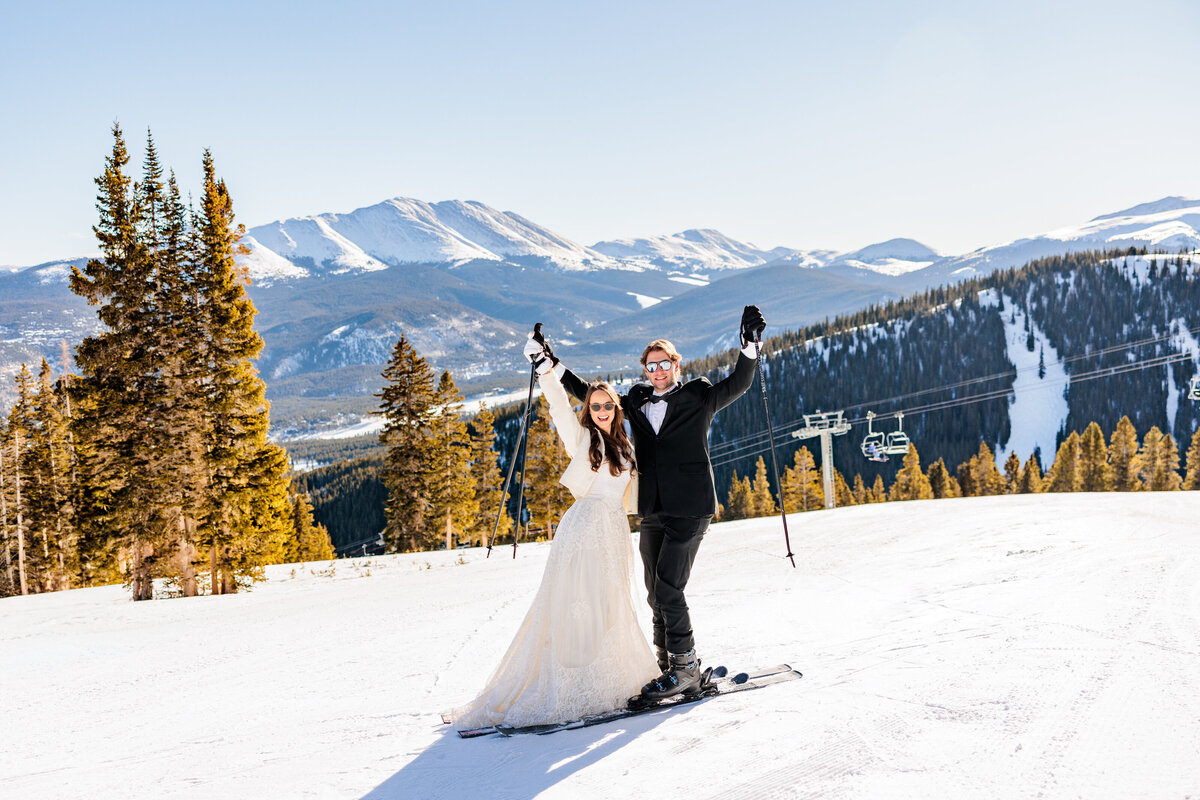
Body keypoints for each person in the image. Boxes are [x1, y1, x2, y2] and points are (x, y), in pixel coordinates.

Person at [526, 305, 766, 700]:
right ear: (645, 371)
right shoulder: (635, 401)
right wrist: (553, 364)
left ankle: (685, 668)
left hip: (691, 507)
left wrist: (750, 347)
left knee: (670, 586)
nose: (657, 371)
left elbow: (738, 384)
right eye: (650, 366)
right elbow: (594, 397)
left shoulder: (699, 395)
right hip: (653, 510)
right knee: (655, 590)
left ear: (676, 364)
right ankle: (665, 663)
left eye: (663, 364)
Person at [446, 359, 658, 729]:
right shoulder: (583, 440)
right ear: (588, 411)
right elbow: (560, 408)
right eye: (595, 406)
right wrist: (546, 371)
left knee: (608, 605)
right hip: (584, 531)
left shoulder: (625, 443)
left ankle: (603, 677)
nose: (603, 411)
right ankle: (573, 682)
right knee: (580, 606)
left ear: (617, 409)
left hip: (613, 532)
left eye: (608, 405)